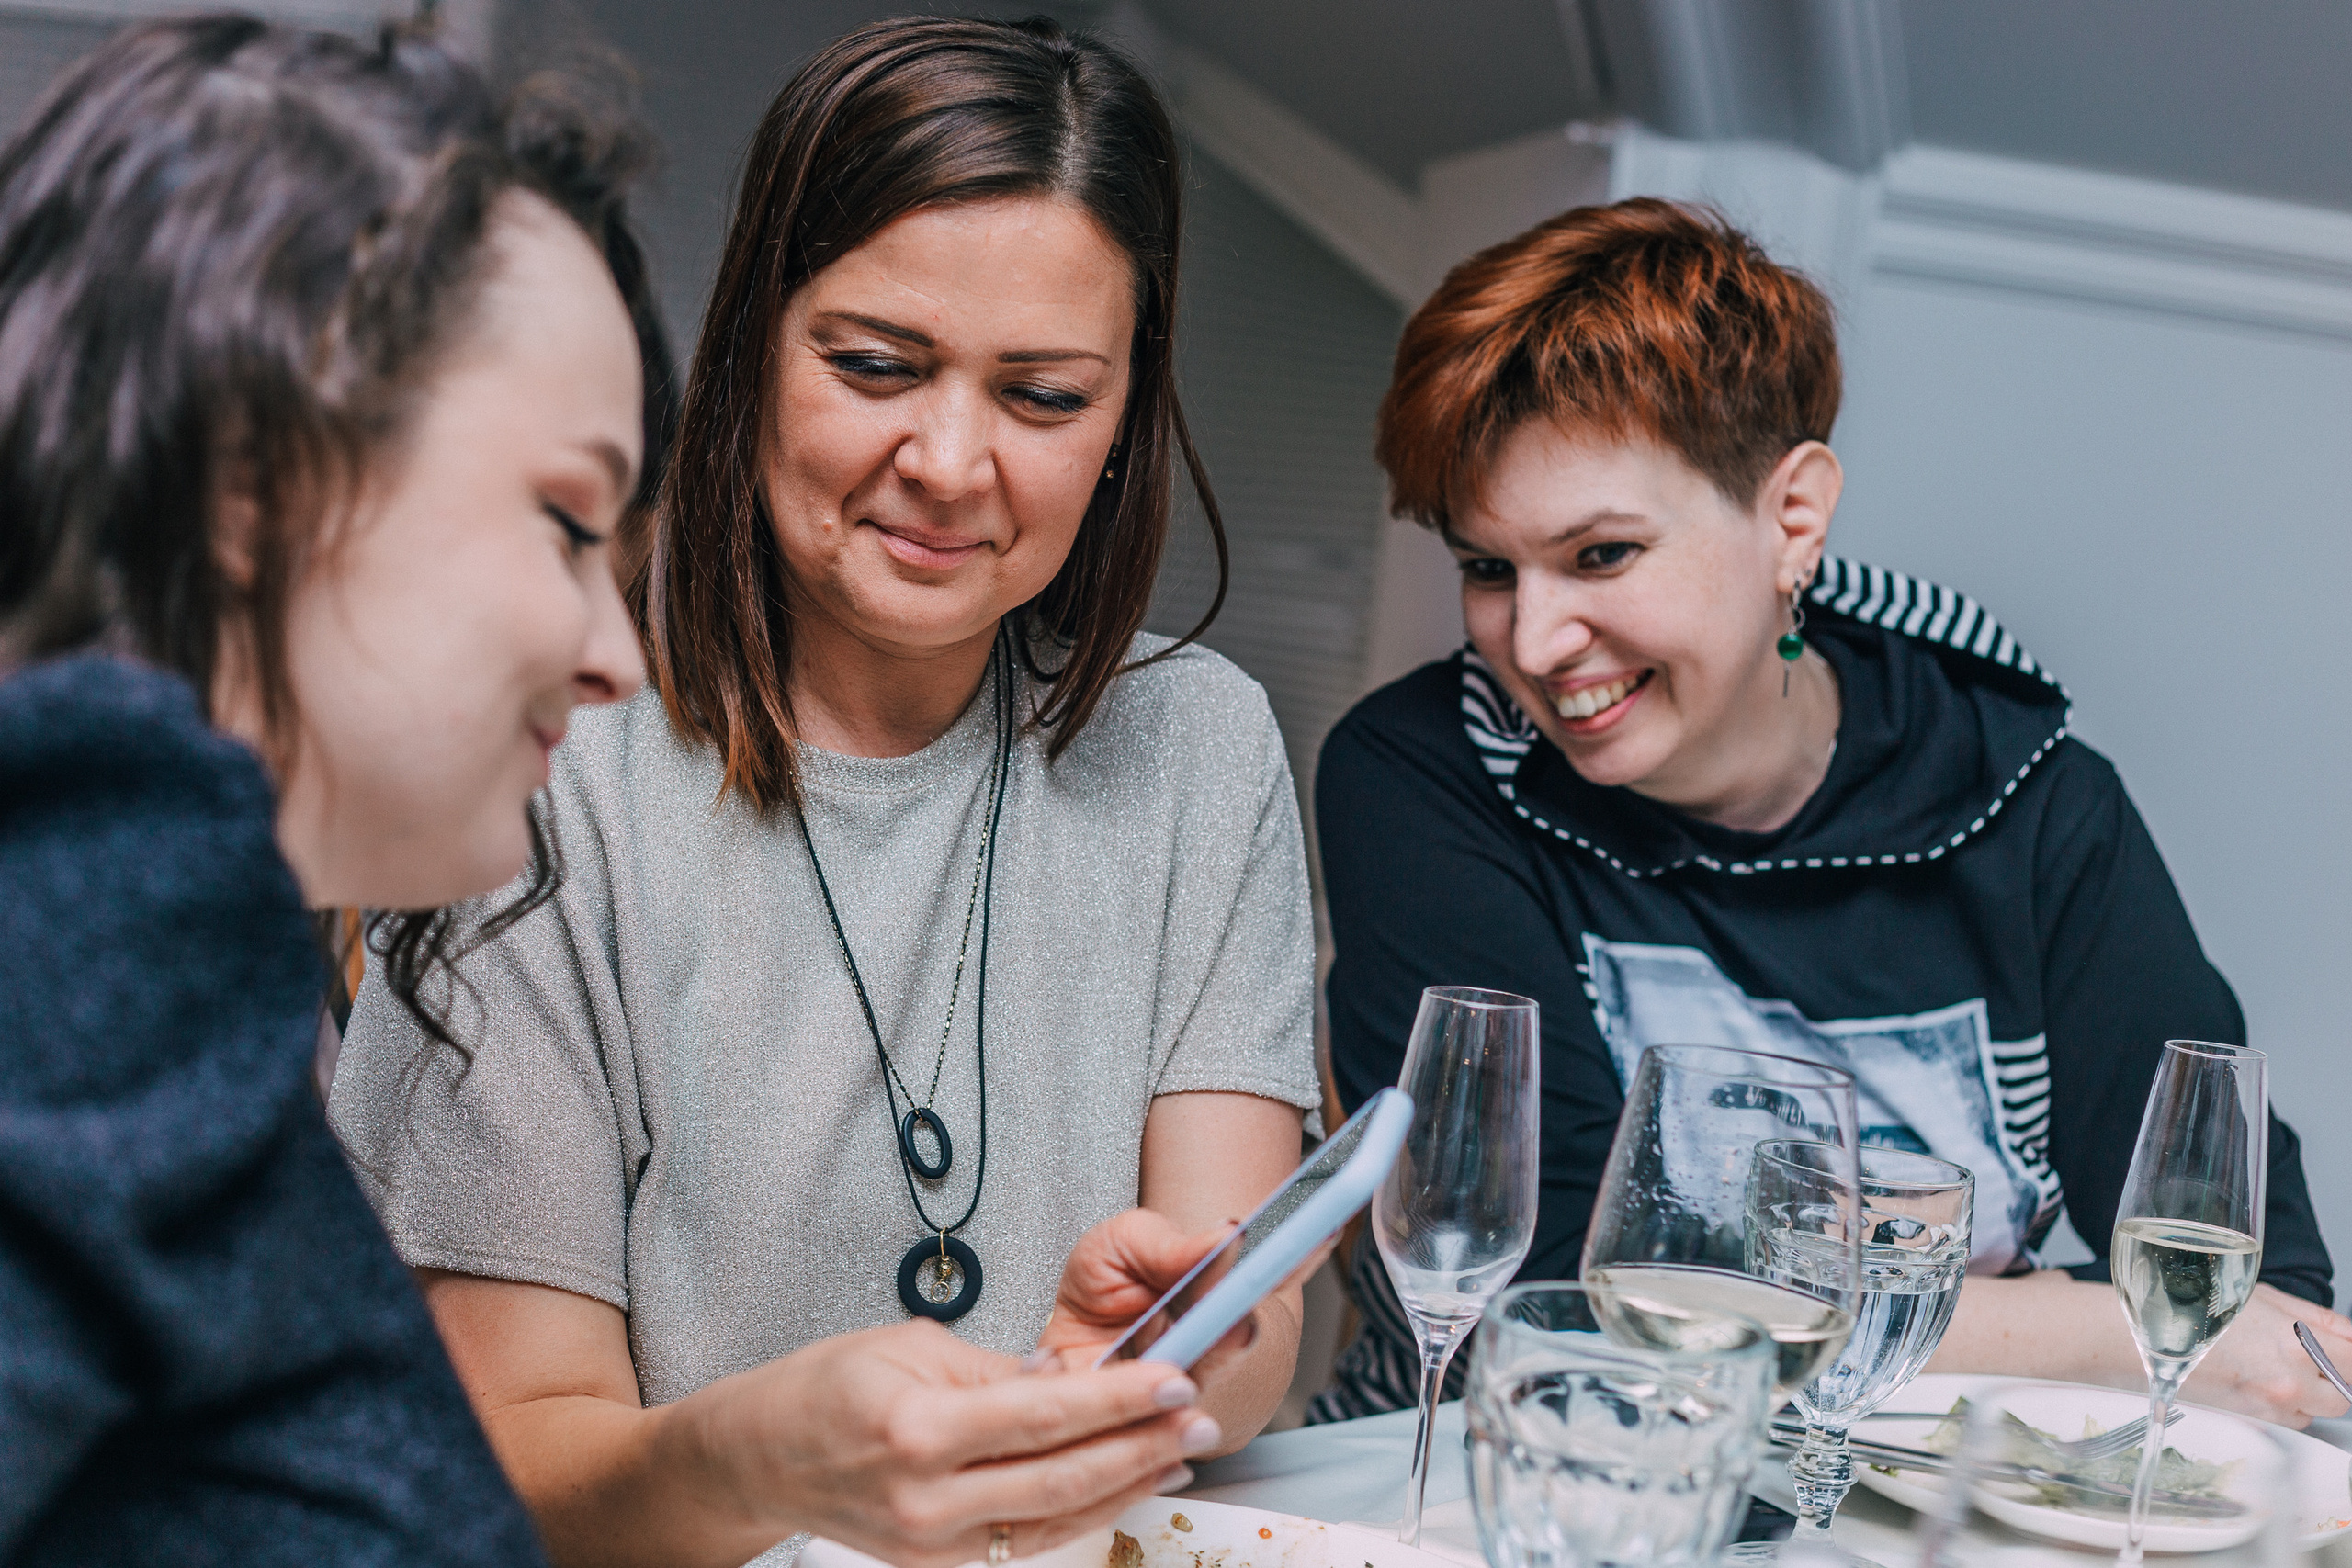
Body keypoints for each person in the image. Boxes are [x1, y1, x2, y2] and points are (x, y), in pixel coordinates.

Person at [0, 17, 1223, 1566]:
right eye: (567, 524)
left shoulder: (179, 916)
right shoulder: (86, 900)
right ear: (259, 491)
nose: (615, 658)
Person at [326, 16, 1320, 1565]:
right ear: (749, 346)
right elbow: (496, 1463)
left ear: (1127, 415)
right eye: (875, 366)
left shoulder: (1200, 750)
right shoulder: (544, 764)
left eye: (1044, 397)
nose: (947, 458)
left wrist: (1171, 1357)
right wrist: (773, 1462)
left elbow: (1251, 1344)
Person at [1308, 198, 2350, 1427]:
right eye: (1488, 567)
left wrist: (1751, 1288)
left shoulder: (2035, 806)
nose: (1532, 643)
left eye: (1600, 556)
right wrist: (2094, 1324)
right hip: (1484, 1493)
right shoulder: (1418, 773)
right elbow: (1557, 1298)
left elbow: (2266, 1305)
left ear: (1792, 518)